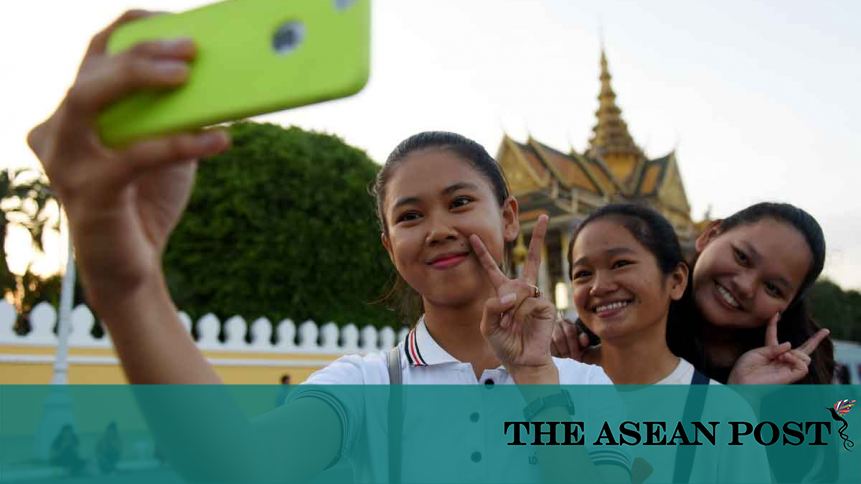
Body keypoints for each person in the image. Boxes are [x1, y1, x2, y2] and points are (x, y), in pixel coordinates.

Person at [28, 11, 626, 483]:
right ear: (391, 245)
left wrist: (535, 381)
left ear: (510, 218)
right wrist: (128, 283)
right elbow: (242, 465)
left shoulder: (584, 386)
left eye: (460, 202)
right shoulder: (368, 385)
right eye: (410, 216)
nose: (438, 227)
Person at [554, 202, 834, 385]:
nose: (745, 286)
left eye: (773, 288)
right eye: (742, 258)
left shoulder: (794, 372)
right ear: (709, 235)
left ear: (787, 305)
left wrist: (739, 404)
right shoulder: (608, 332)